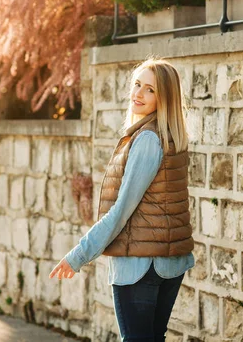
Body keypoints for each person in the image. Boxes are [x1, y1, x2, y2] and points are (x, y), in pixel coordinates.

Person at [49, 58, 195, 342]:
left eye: (150, 89)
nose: (138, 94)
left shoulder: (148, 140)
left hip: (141, 266)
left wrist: (78, 255)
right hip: (170, 263)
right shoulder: (171, 137)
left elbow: (121, 212)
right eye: (137, 84)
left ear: (164, 97)